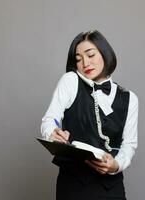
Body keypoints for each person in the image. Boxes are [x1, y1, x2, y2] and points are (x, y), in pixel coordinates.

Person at [41, 30, 138, 200]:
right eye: (78, 59)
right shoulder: (70, 81)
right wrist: (53, 132)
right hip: (74, 185)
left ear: (105, 53)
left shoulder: (130, 99)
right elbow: (50, 119)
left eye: (90, 55)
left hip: (112, 187)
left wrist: (116, 165)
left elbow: (128, 145)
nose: (85, 63)